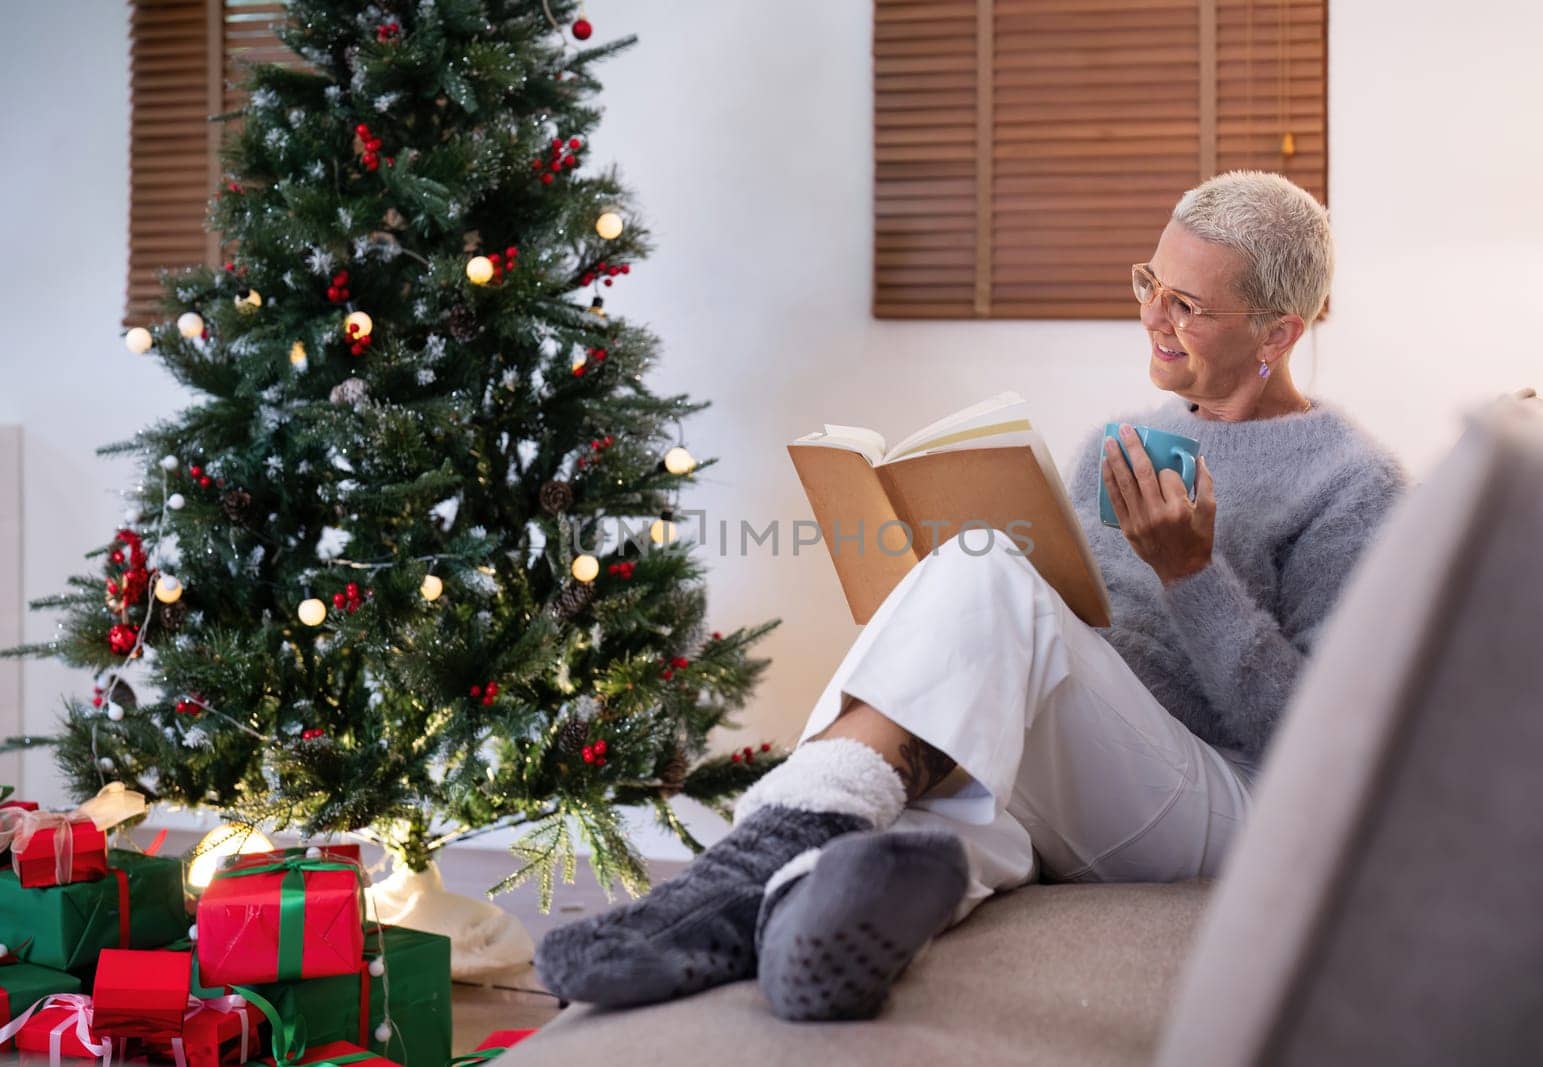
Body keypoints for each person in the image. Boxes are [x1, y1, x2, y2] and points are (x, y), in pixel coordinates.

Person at [534, 170, 1409, 1022]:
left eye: (1188, 304)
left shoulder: (1352, 485)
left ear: (1279, 331)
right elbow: (1069, 631)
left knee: (982, 563)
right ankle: (801, 918)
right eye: (1152, 281)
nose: (1152, 316)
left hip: (1231, 804)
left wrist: (1191, 576)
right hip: (1105, 772)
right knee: (931, 810)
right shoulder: (1121, 440)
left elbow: (1328, 748)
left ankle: (743, 865)